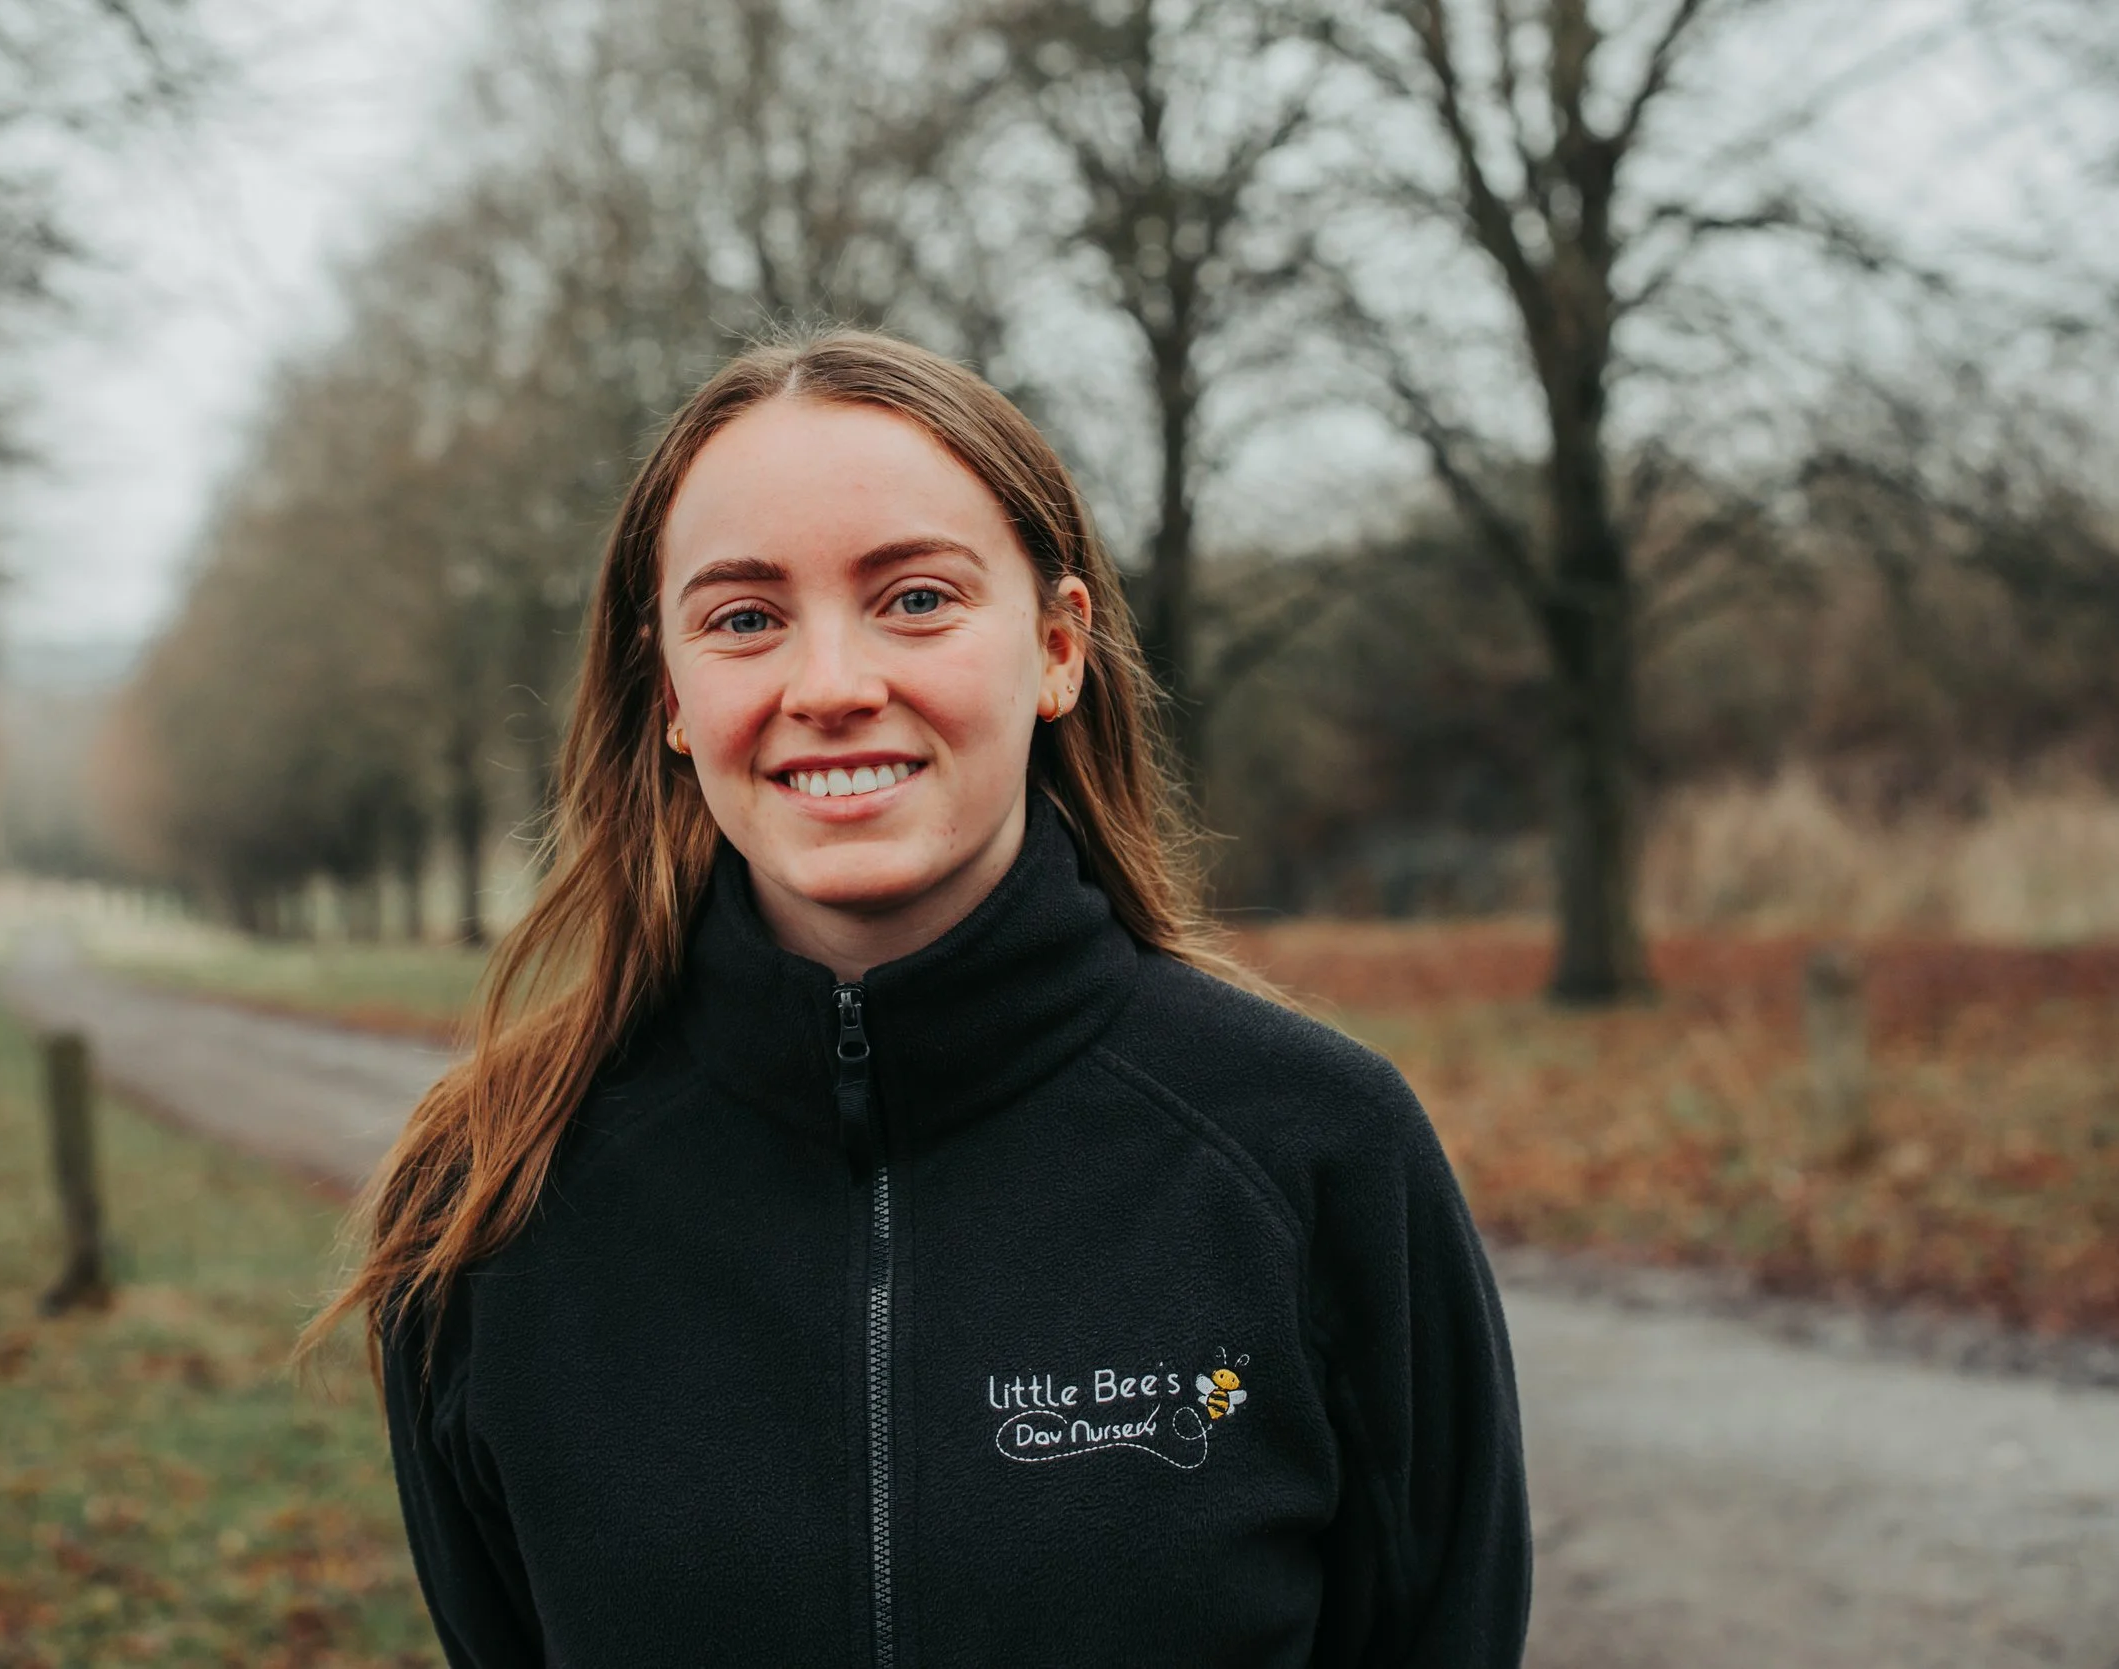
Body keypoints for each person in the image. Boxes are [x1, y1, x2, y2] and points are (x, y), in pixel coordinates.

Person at [307, 330, 1531, 1667]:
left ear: (1059, 648)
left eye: (917, 599)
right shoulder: (489, 1193)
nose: (831, 686)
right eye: (745, 619)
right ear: (671, 693)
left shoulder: (1315, 1150)